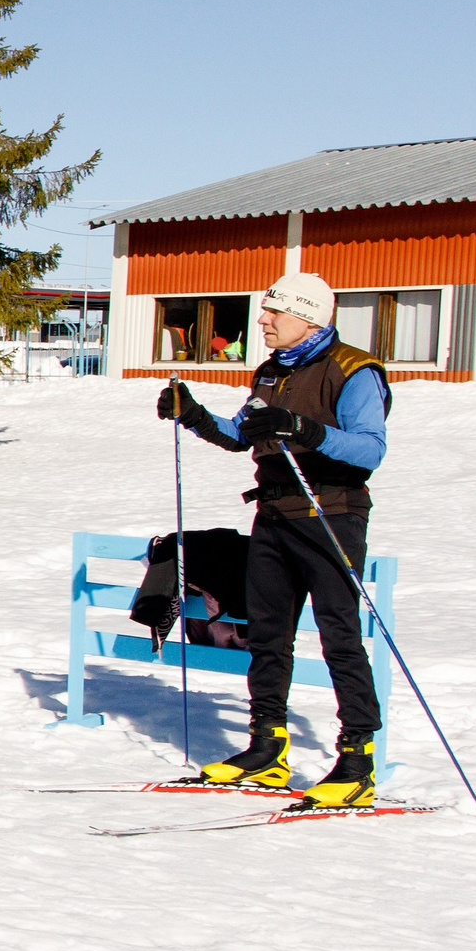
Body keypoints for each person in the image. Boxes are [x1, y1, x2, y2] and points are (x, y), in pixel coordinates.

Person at [159, 271, 389, 807]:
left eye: (274, 313)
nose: (262, 320)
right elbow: (243, 434)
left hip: (330, 513)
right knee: (267, 635)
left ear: (307, 316)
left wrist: (305, 429)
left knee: (339, 636)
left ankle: (357, 761)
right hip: (274, 515)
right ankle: (267, 748)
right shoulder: (270, 371)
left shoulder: (354, 371)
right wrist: (193, 415)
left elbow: (370, 449)